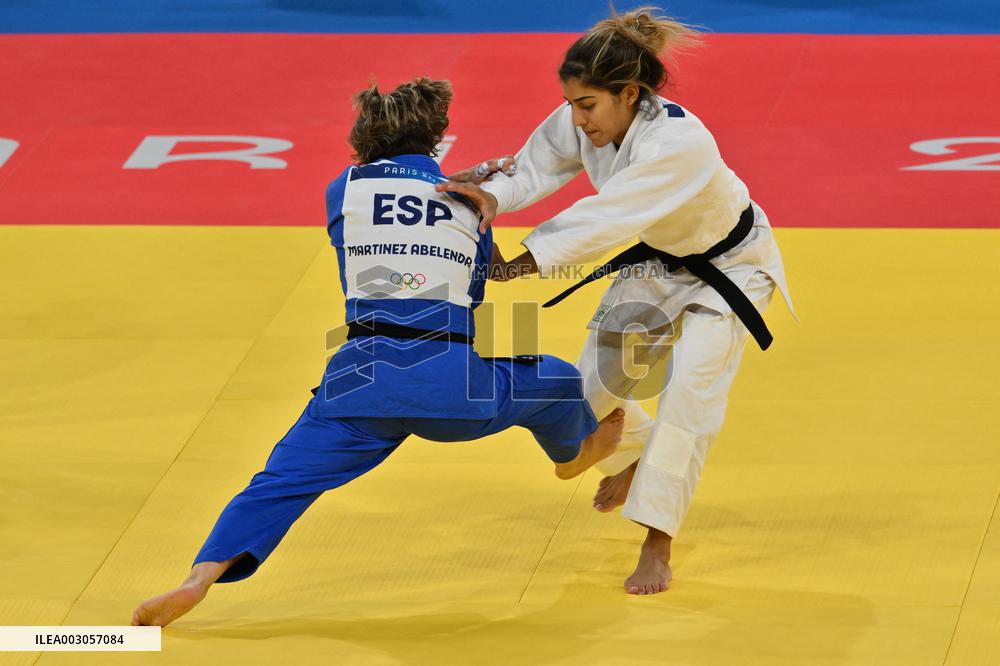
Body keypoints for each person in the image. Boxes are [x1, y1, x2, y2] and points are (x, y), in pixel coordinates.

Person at [131, 77, 625, 627]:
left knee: (278, 483)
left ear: (360, 143)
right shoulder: (471, 203)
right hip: (454, 391)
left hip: (358, 384)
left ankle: (199, 578)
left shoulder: (343, 189)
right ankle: (572, 456)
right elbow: (479, 286)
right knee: (554, 379)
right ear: (439, 137)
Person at [437, 6, 796, 595]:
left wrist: (520, 263)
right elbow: (533, 168)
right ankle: (631, 459)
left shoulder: (679, 142)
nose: (578, 121)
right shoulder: (583, 119)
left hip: (732, 269)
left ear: (630, 93)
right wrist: (487, 200)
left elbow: (608, 214)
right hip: (658, 263)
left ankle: (657, 540)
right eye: (573, 105)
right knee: (583, 397)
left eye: (588, 107)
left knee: (688, 399)